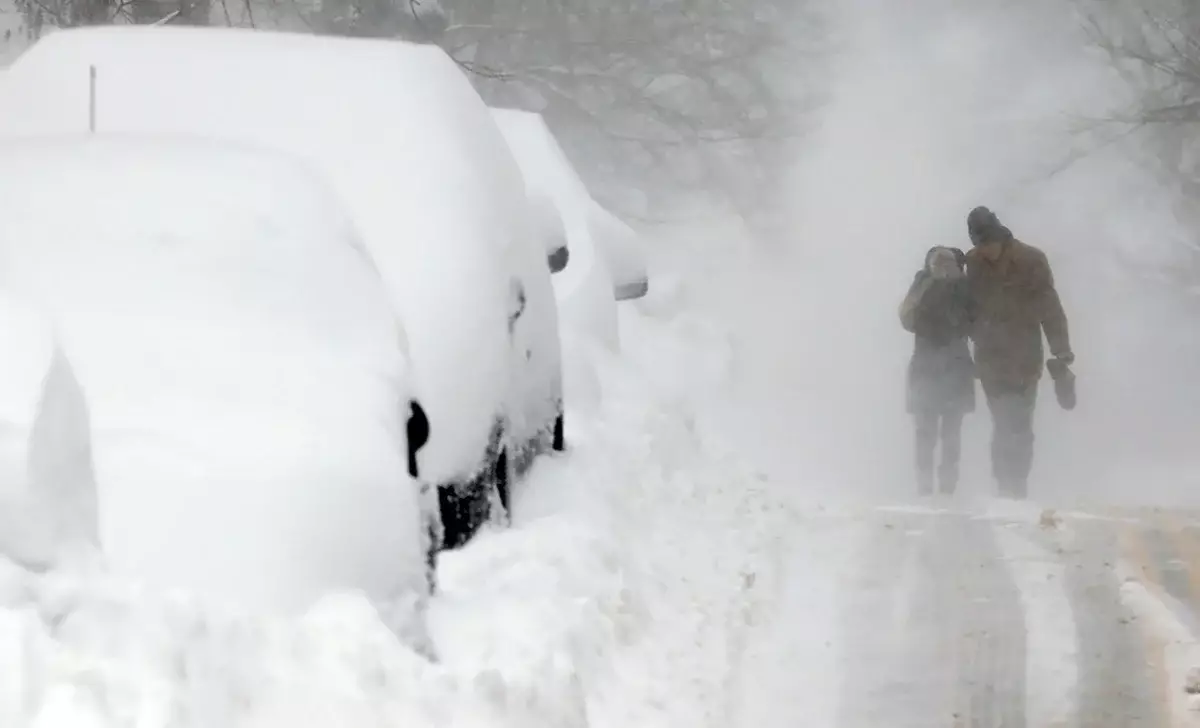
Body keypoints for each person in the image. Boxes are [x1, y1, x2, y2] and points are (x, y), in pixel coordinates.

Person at [964, 206, 1073, 498]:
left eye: (987, 243)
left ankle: (1018, 485)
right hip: (989, 359)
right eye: (979, 244)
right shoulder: (972, 263)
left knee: (1021, 425)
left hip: (1024, 357)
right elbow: (965, 307)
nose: (984, 250)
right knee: (1002, 421)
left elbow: (1050, 309)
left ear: (999, 236)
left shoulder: (1031, 261)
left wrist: (1061, 351)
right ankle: (1003, 484)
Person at [899, 246, 976, 495]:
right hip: (927, 367)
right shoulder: (922, 284)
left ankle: (947, 485)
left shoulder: (964, 288)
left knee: (951, 432)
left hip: (954, 368)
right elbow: (907, 318)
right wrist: (931, 287)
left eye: (948, 264)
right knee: (925, 431)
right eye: (938, 263)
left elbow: (975, 321)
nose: (943, 269)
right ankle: (924, 484)